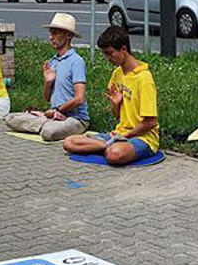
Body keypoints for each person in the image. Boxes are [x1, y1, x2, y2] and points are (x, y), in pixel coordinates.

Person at [63, 26, 158, 166]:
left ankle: (106, 146)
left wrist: (126, 136)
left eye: (110, 53)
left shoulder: (144, 79)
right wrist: (116, 104)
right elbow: (118, 117)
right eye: (104, 54)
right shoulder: (117, 74)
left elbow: (151, 122)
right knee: (69, 142)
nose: (107, 58)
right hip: (118, 134)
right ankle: (105, 145)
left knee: (114, 155)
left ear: (124, 50)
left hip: (142, 138)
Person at [3, 12, 89, 140]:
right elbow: (47, 98)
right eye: (50, 33)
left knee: (48, 132)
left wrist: (59, 111)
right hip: (54, 115)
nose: (50, 37)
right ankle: (47, 121)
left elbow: (79, 99)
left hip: (75, 119)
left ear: (68, 35)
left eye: (55, 33)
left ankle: (47, 123)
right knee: (11, 118)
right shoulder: (53, 61)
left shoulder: (76, 61)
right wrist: (48, 82)